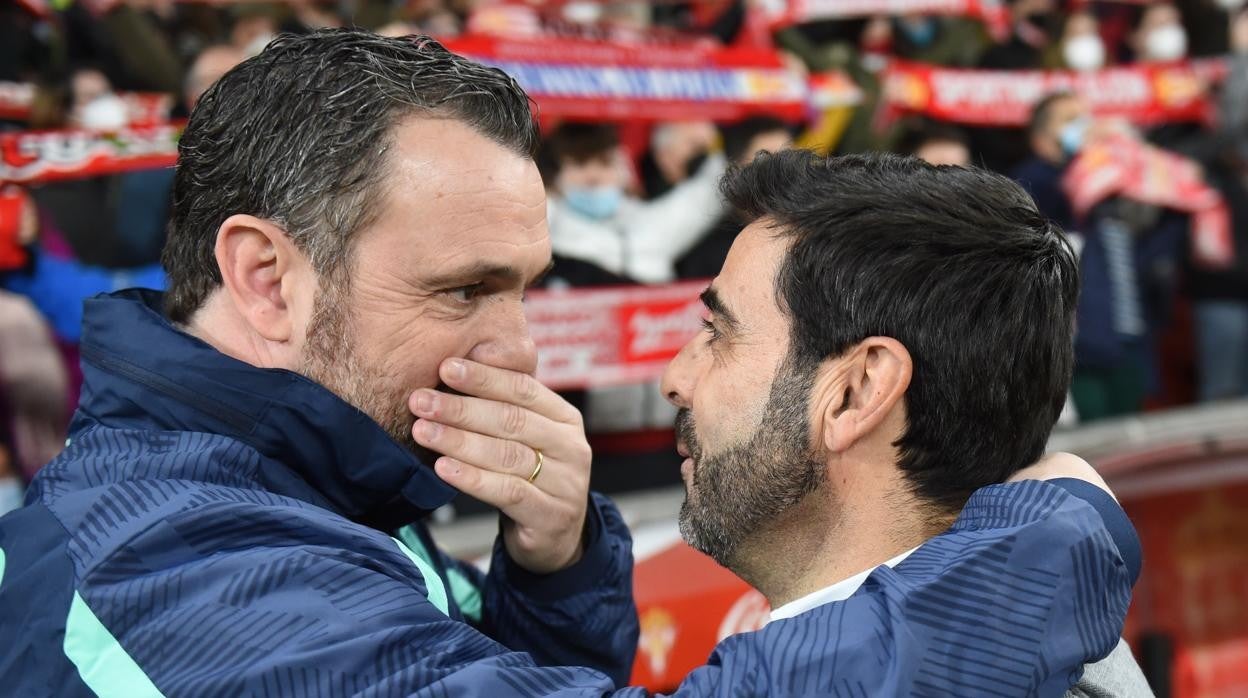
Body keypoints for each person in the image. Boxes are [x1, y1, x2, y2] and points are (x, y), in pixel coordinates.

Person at [0, 30, 1137, 695]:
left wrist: (549, 574)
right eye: (464, 289)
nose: (519, 347)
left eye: (523, 285)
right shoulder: (166, 562)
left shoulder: (308, 479)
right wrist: (1034, 562)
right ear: (264, 275)